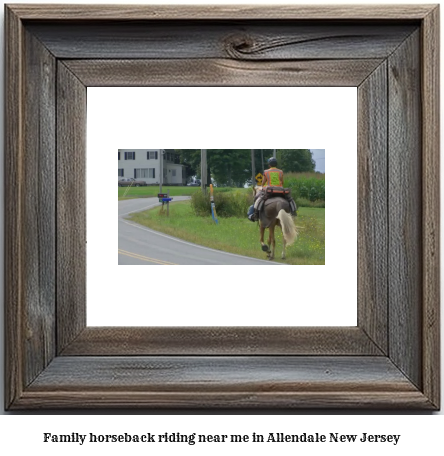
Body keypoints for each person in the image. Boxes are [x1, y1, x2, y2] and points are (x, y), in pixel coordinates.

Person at [248, 157, 297, 222]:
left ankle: (256, 214)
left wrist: (263, 186)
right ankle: (293, 212)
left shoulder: (266, 172)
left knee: (258, 200)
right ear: (276, 164)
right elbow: (282, 182)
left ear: (269, 165)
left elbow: (263, 183)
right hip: (280, 190)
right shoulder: (280, 172)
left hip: (269, 190)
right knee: (290, 200)